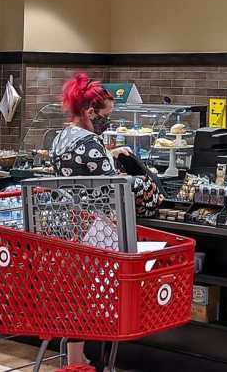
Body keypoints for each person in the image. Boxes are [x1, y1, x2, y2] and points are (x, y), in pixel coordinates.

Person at [51, 73, 164, 366]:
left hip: (69, 228)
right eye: (106, 116)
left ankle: (76, 360)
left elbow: (84, 171)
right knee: (99, 297)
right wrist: (144, 183)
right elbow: (112, 187)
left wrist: (110, 153)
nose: (108, 123)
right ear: (90, 112)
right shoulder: (91, 142)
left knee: (77, 295)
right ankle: (94, 360)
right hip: (95, 231)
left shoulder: (61, 137)